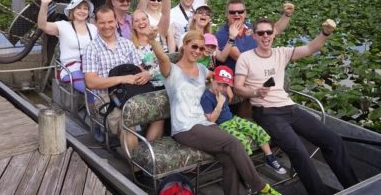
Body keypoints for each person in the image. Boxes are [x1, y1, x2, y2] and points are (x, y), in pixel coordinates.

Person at [144, 28, 281, 195]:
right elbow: (162, 57)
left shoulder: (202, 71)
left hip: (205, 124)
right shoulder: (171, 70)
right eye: (194, 46)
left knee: (230, 159)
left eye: (201, 49)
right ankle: (260, 187)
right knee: (233, 142)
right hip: (185, 128)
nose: (197, 51)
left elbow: (219, 76)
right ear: (185, 45)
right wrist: (153, 40)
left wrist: (228, 87)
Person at [234, 18, 358, 195]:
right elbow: (238, 88)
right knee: (299, 151)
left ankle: (354, 188)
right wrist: (255, 92)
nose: (265, 36)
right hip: (266, 112)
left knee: (333, 141)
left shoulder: (281, 53)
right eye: (260, 33)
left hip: (290, 108)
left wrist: (325, 33)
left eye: (269, 32)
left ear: (273, 34)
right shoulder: (246, 58)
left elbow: (310, 48)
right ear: (254, 35)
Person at [82, 6, 163, 154]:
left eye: (110, 22)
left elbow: (138, 69)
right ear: (96, 23)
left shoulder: (127, 44)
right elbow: (91, 82)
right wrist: (123, 78)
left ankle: (145, 157)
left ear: (116, 22)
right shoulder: (91, 49)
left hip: (131, 91)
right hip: (106, 97)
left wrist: (144, 74)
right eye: (102, 23)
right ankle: (136, 169)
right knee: (128, 121)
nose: (107, 26)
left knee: (159, 113)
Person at [201, 65, 286, 175]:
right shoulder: (206, 97)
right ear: (212, 80)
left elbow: (227, 91)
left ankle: (269, 157)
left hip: (233, 119)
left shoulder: (224, 90)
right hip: (221, 125)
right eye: (219, 84)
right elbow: (211, 120)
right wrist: (220, 104)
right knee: (241, 140)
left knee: (256, 129)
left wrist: (228, 90)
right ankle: (246, 169)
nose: (221, 88)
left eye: (225, 85)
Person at [37, 0, 97, 93]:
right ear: (72, 11)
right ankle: (93, 109)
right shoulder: (63, 26)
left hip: (90, 67)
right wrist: (45, 4)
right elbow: (42, 25)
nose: (82, 11)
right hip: (71, 69)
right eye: (78, 8)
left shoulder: (93, 28)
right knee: (90, 88)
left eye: (85, 8)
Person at [216, 0, 294, 71]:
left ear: (245, 13)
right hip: (237, 76)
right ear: (227, 14)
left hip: (257, 69)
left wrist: (287, 15)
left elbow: (275, 30)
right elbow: (238, 56)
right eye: (232, 12)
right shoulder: (222, 34)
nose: (237, 14)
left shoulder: (252, 27)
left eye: (240, 11)